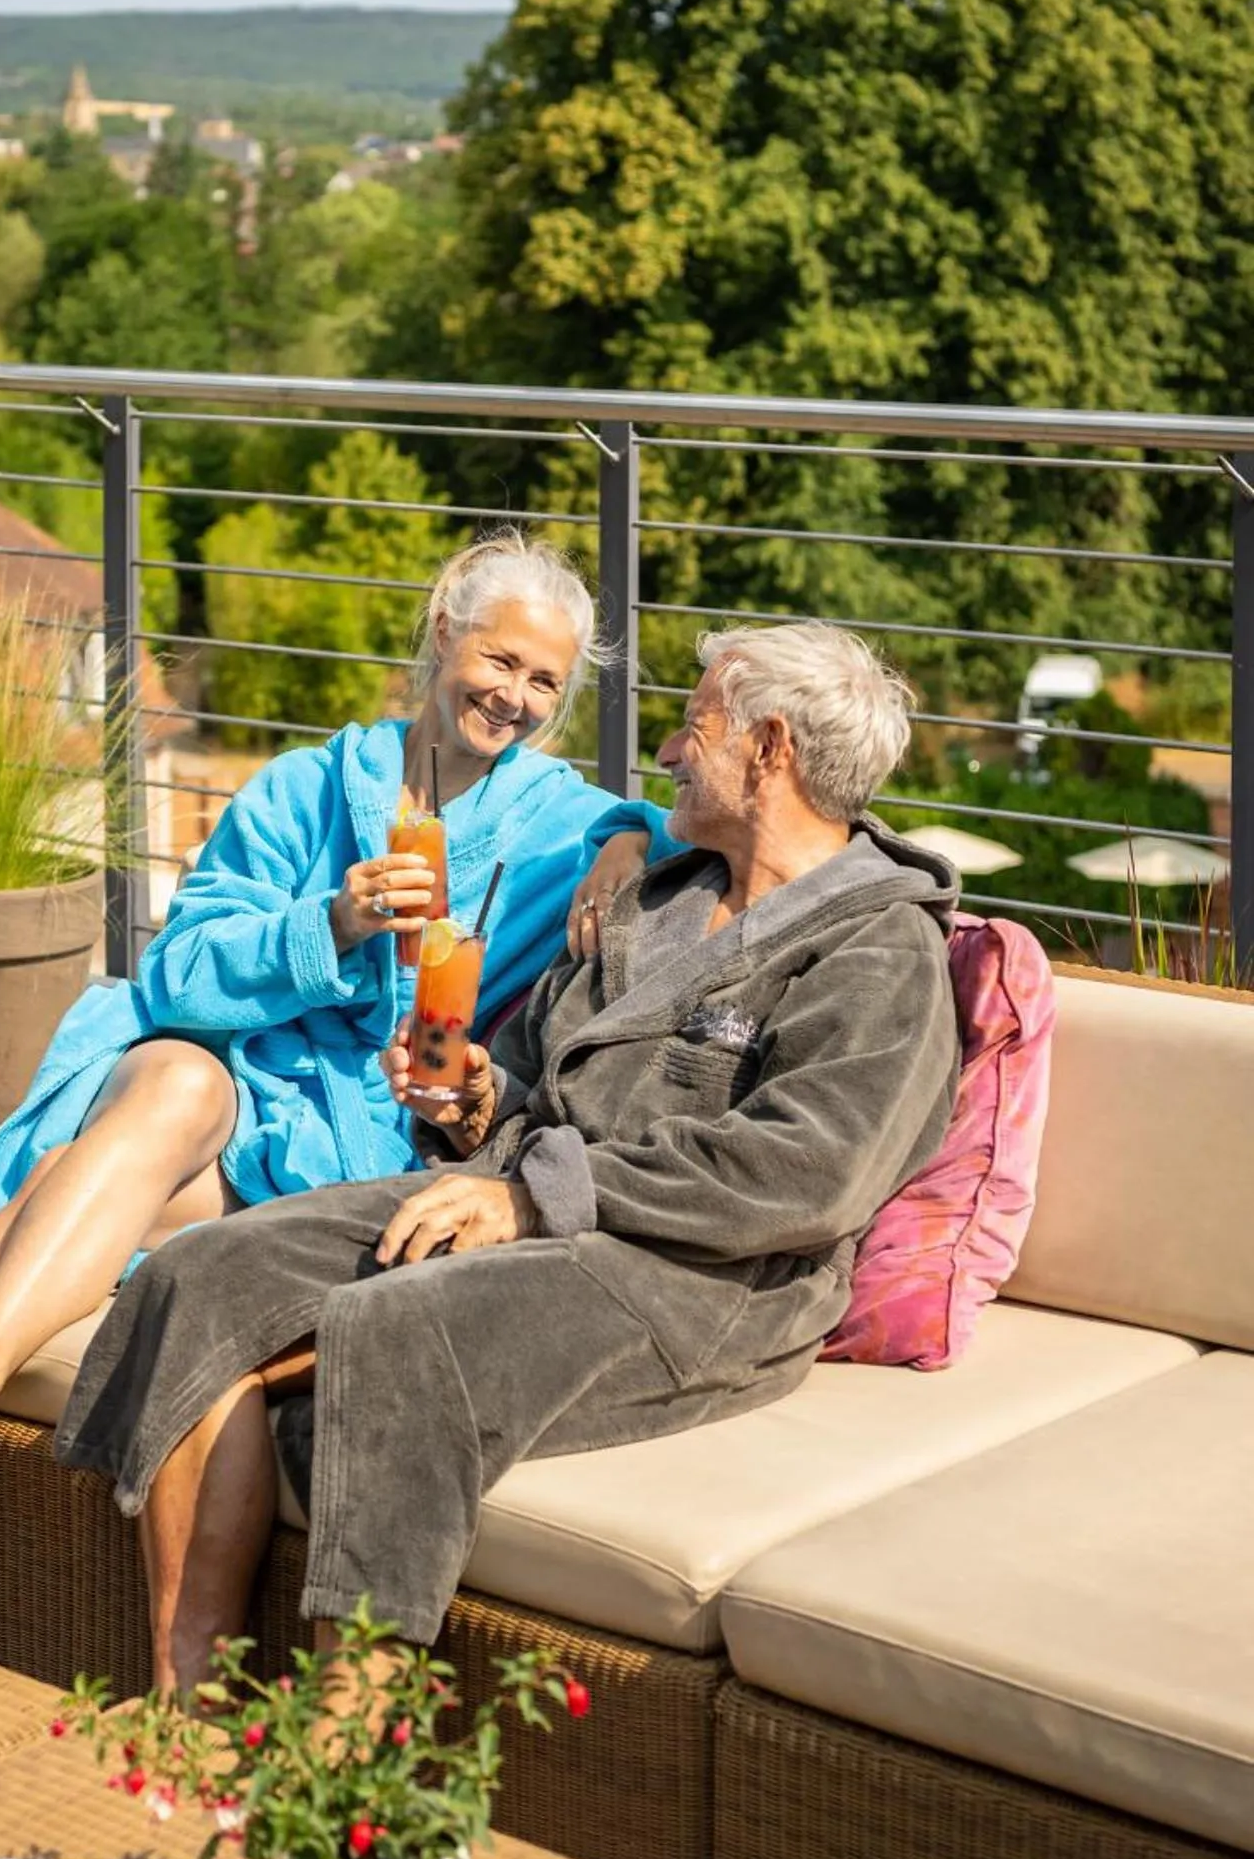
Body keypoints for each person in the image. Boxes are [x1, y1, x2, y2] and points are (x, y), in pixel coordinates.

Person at [0, 530, 661, 1561]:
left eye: (545, 681)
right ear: (446, 636)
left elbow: (708, 828)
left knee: (67, 1182)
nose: (516, 697)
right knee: (172, 1074)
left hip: (356, 1138)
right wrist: (331, 924)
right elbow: (181, 974)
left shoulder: (558, 822)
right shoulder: (306, 789)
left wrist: (626, 832)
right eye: (499, 660)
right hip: (239, 1087)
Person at [54, 621, 964, 1691]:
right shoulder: (657, 895)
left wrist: (533, 1200)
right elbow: (529, 1078)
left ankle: (346, 1747)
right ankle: (189, 1689)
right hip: (520, 1198)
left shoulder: (879, 949)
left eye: (695, 725)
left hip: (702, 1277)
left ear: (768, 750)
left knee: (394, 1326)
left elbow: (805, 1177)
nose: (670, 750)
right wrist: (476, 1098)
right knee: (203, 1268)